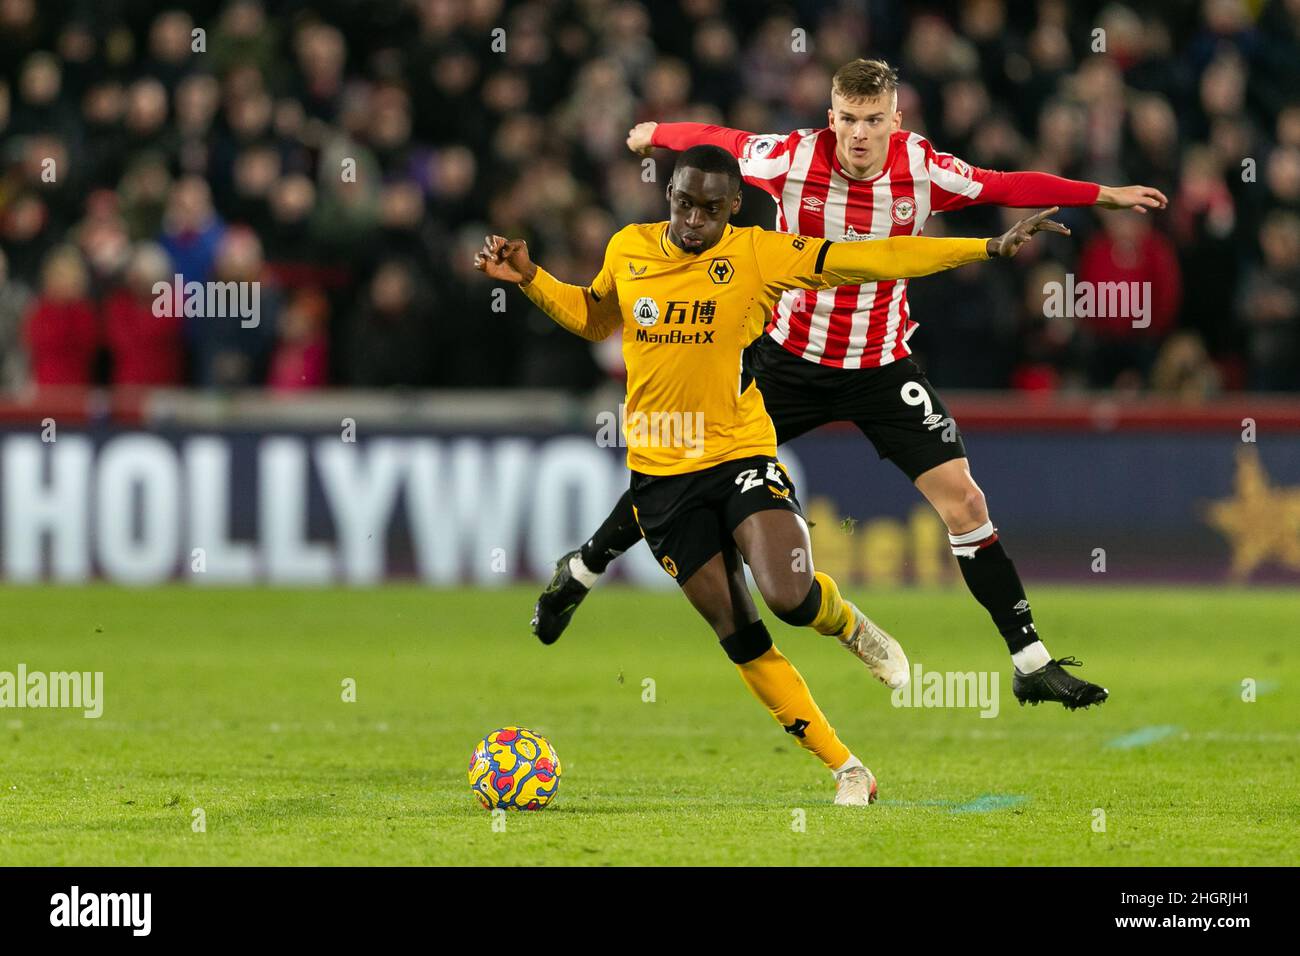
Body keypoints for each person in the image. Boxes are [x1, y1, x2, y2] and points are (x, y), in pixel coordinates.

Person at [536, 59, 1154, 710]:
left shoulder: (923, 168)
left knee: (966, 505)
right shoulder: (793, 158)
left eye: (873, 121)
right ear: (832, 118)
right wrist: (659, 131)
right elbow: (722, 140)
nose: (860, 135)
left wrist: (1102, 195)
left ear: (896, 120)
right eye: (850, 120)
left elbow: (1005, 184)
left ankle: (1030, 662)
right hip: (787, 359)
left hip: (881, 367)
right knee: (684, 464)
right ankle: (583, 568)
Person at [477, 144, 1065, 803]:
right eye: (682, 203)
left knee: (788, 596)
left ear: (732, 208)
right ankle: (849, 769)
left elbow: (873, 257)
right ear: (666, 194)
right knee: (740, 635)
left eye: (709, 208)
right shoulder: (629, 248)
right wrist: (532, 279)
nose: (692, 220)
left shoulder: (759, 255)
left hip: (740, 456)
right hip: (660, 479)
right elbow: (594, 317)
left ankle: (848, 625)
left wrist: (983, 249)